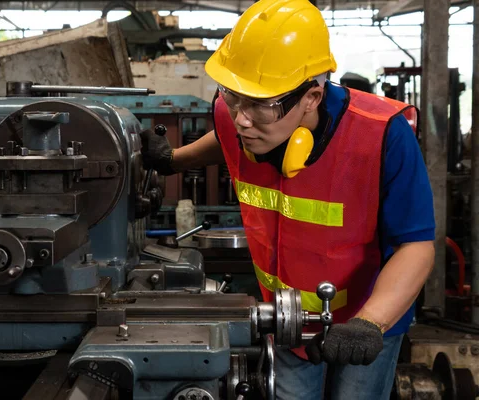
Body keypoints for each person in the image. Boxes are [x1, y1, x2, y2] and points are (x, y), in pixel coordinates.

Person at [139, 0, 436, 398]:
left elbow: (416, 245)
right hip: (285, 317)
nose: (241, 117)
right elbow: (224, 136)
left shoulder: (382, 136)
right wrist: (174, 160)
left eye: (259, 104)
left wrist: (371, 323)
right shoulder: (238, 116)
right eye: (233, 95)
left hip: (364, 323)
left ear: (311, 97)